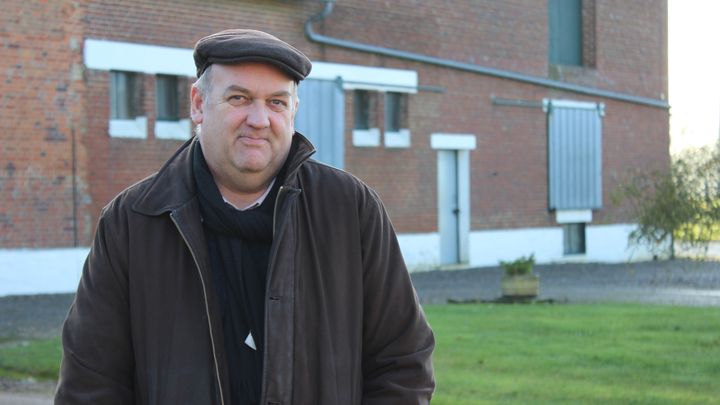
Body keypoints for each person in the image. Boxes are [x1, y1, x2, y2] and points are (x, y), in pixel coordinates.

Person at [55, 29, 434, 404]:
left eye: (277, 103)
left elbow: (403, 362)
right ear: (198, 104)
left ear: (293, 112)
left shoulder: (350, 211)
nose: (259, 119)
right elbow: (91, 383)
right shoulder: (133, 221)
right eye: (240, 98)